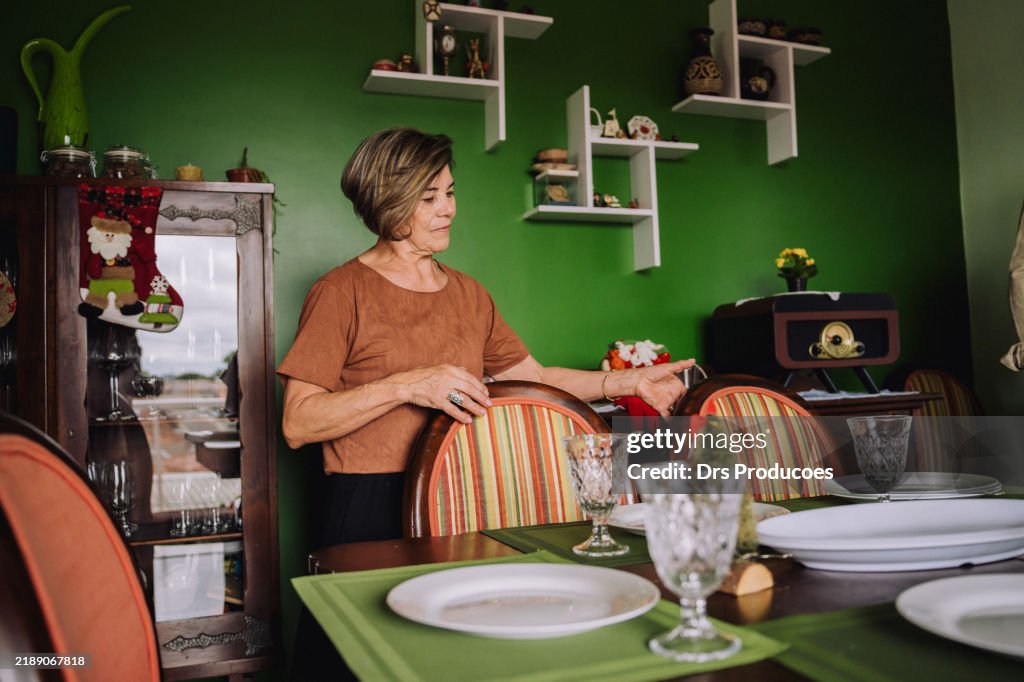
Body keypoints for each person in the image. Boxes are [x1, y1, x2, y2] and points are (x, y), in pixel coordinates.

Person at [277, 127, 692, 548]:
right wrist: (407, 386)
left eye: (450, 192)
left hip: (460, 491)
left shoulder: (468, 293)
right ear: (388, 202)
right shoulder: (340, 291)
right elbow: (298, 423)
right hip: (369, 503)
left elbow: (536, 377)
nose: (448, 209)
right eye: (429, 198)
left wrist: (630, 382)